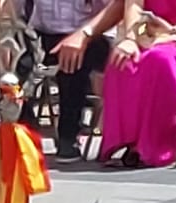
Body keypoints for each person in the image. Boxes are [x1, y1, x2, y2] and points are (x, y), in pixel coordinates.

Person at [95, 0, 176, 167]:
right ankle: (129, 140)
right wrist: (131, 39)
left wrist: (174, 31)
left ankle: (156, 146)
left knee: (160, 60)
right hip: (148, 32)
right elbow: (135, 7)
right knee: (122, 63)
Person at [26, 0, 123, 159]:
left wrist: (84, 35)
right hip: (43, 35)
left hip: (92, 32)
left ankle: (68, 135)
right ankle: (22, 132)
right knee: (19, 59)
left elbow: (115, 10)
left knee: (75, 59)